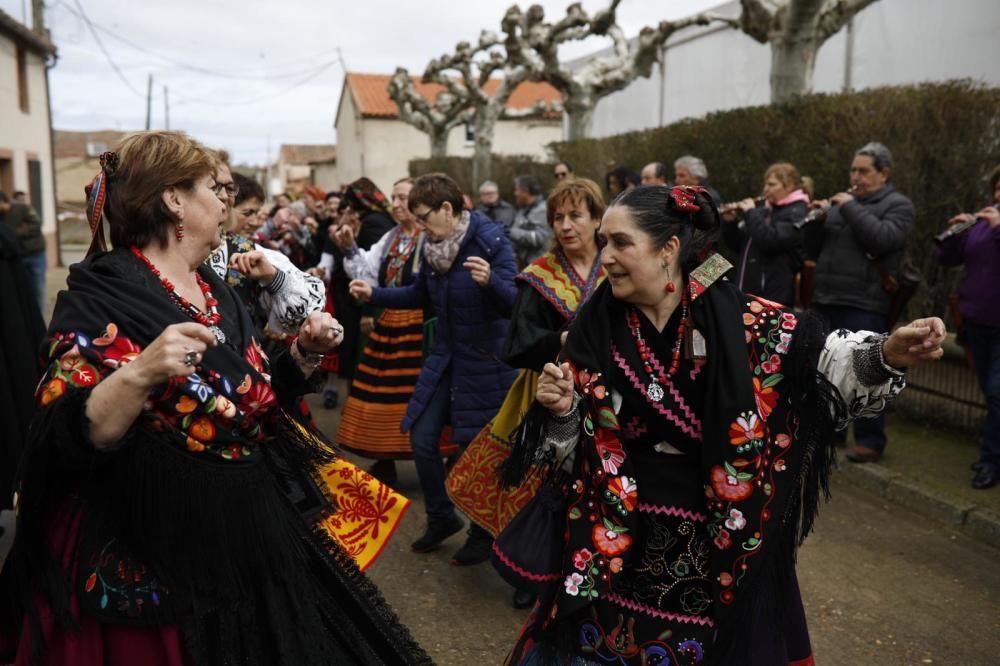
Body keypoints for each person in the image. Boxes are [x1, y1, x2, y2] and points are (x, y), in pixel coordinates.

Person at [5, 132, 429, 665]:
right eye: (213, 186)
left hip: (245, 518)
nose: (227, 198)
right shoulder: (101, 292)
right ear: (174, 198)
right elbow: (67, 433)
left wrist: (301, 353)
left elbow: (248, 397)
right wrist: (138, 374)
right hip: (158, 535)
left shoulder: (214, 287)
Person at [500, 184, 945, 665]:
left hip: (715, 550)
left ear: (668, 248)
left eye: (620, 242)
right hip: (615, 541)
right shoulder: (595, 325)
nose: (604, 256)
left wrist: (887, 353)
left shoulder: (741, 319)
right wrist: (563, 412)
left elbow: (823, 362)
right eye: (604, 241)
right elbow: (567, 452)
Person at [447, 177, 606, 607]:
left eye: (576, 215)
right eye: (558, 217)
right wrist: (562, 339)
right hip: (544, 390)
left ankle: (588, 567)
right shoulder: (540, 275)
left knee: (594, 484)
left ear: (597, 218)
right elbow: (516, 344)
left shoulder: (618, 268)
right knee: (538, 483)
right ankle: (529, 572)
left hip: (606, 396)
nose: (566, 225)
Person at [349, 172, 519, 557]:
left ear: (447, 208)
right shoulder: (432, 249)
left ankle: (482, 531)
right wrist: (373, 294)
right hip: (445, 359)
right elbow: (419, 294)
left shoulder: (491, 241)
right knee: (423, 438)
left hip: (485, 364)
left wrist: (491, 281)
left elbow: (515, 303)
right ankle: (442, 516)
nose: (421, 226)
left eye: (424, 216)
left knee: (478, 450)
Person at [331, 177, 459, 482]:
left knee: (427, 393)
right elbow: (367, 271)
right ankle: (385, 456)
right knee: (380, 393)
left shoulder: (435, 237)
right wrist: (349, 248)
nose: (397, 203)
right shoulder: (391, 237)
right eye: (394, 197)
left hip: (423, 329)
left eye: (403, 198)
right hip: (390, 325)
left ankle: (448, 454)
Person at [809, 142, 915, 463]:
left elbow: (883, 240)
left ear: (883, 173)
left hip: (865, 302)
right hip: (828, 297)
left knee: (870, 371)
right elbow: (812, 251)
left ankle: (870, 440)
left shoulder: (899, 205)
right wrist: (815, 222)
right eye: (853, 170)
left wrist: (850, 207)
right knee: (827, 369)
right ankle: (831, 430)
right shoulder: (843, 205)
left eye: (863, 171)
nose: (856, 176)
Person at [937, 165, 1000, 490]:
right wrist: (956, 235)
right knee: (990, 394)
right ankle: (993, 453)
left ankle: (990, 461)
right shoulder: (983, 224)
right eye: (998, 187)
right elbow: (948, 259)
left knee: (996, 391)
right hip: (976, 320)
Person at [721, 162, 809, 307]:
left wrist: (750, 213)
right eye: (765, 184)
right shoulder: (764, 211)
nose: (766, 189)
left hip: (772, 294)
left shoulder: (797, 212)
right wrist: (730, 223)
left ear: (790, 185)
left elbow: (771, 241)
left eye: (772, 184)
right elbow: (739, 246)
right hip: (749, 291)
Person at [0, 191, 47, 313]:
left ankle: (38, 318)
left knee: (37, 290)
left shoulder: (23, 208)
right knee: (24, 290)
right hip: (19, 257)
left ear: (3, 202)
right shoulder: (2, 216)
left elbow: (36, 225)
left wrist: (15, 233)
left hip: (35, 254)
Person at [511, 175, 552, 268]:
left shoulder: (543, 210)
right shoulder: (522, 211)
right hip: (524, 268)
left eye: (517, 190)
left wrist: (510, 231)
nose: (515, 193)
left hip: (541, 270)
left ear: (525, 190)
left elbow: (539, 238)